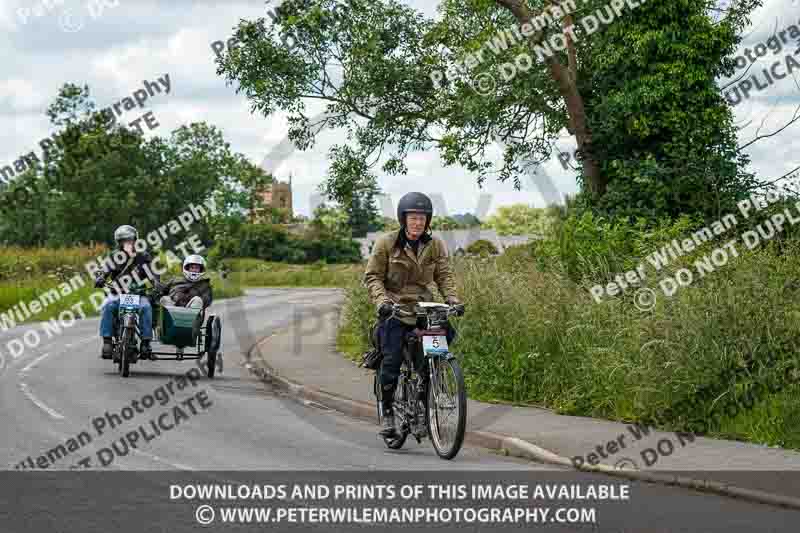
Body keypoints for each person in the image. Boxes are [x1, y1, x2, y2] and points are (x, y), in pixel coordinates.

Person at [363, 192, 462, 438]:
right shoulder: (386, 243)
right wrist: (382, 302)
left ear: (428, 221)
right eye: (413, 218)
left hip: (423, 308)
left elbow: (444, 275)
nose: (418, 222)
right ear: (403, 219)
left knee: (435, 352)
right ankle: (387, 411)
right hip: (395, 309)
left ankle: (420, 402)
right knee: (392, 359)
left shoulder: (435, 244)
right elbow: (373, 276)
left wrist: (452, 299)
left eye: (422, 218)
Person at [95, 225, 161, 360]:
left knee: (146, 307)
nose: (127, 243)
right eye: (123, 241)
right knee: (108, 307)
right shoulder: (114, 256)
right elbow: (105, 270)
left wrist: (155, 282)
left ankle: (146, 343)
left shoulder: (143, 256)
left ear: (135, 240)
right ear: (119, 243)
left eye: (130, 240)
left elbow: (152, 272)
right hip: (118, 294)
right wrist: (101, 278)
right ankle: (107, 342)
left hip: (138, 294)